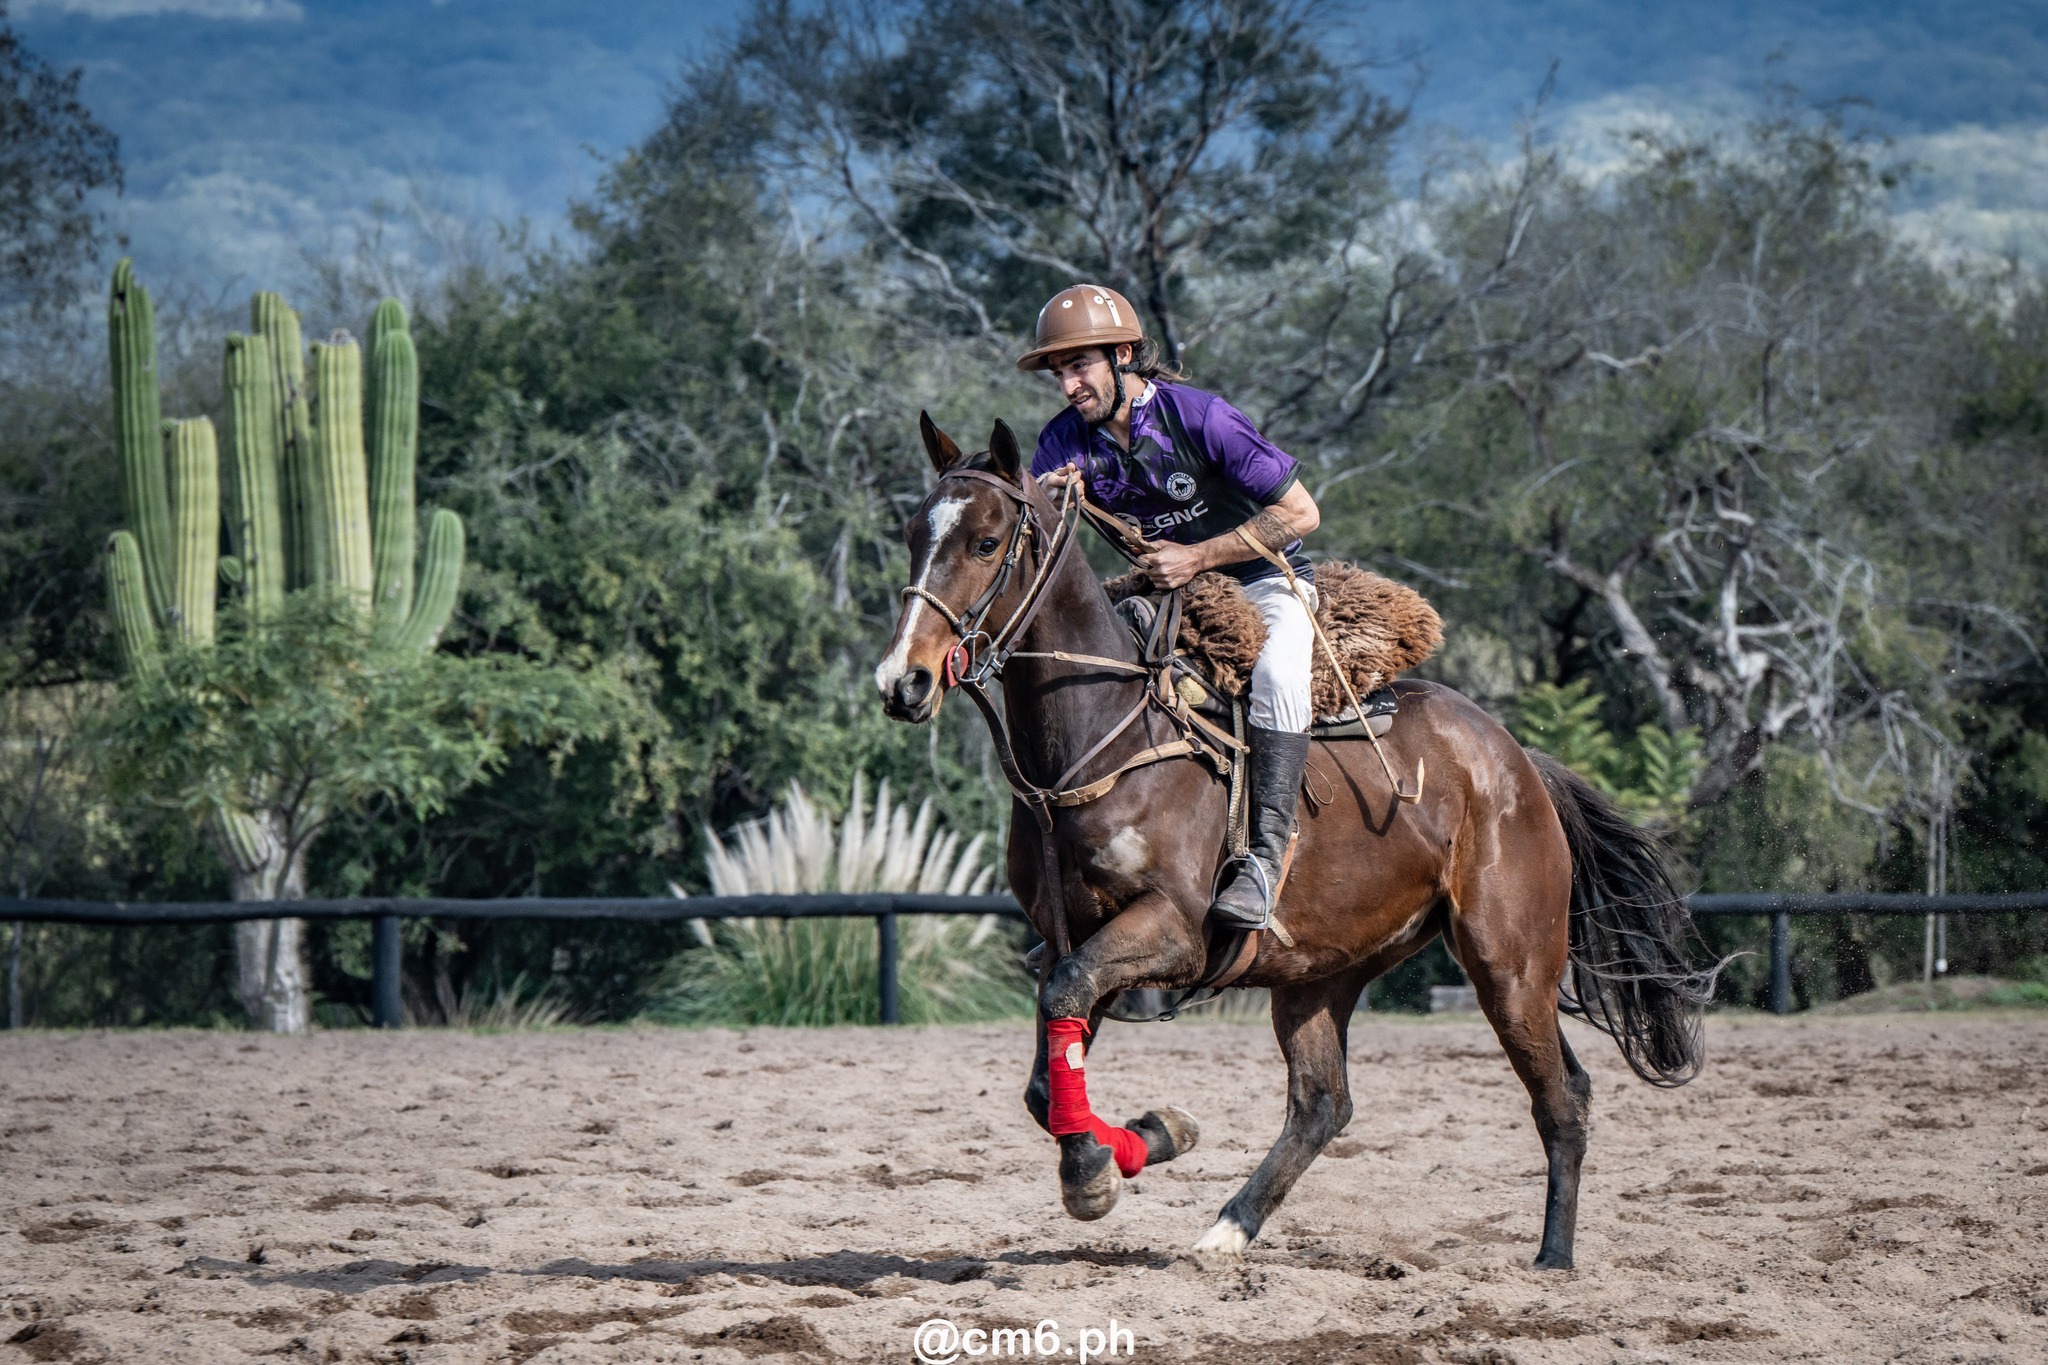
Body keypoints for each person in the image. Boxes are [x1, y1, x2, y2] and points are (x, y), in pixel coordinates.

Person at [1020, 284, 1321, 931]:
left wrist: (1198, 556)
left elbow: (1302, 513)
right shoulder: (1062, 442)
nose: (1068, 385)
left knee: (1276, 677)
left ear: (1123, 353)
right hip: (1170, 598)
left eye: (1080, 366)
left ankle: (1264, 861)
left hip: (1267, 583)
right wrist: (1052, 504)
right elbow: (1037, 538)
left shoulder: (1202, 418)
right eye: (1059, 372)